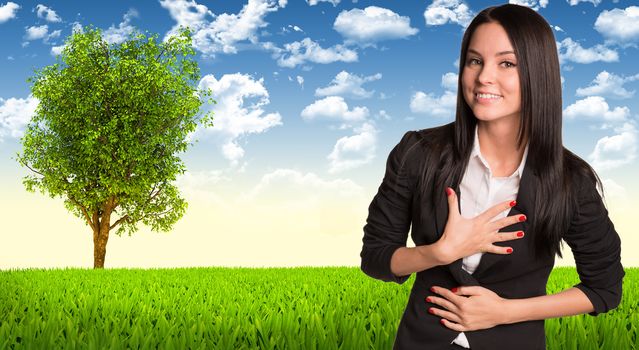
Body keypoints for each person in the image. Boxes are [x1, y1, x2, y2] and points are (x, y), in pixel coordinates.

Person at [359, 4, 624, 350]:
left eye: (506, 63)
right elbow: (375, 257)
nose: (484, 76)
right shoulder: (418, 152)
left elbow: (604, 288)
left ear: (536, 73)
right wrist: (439, 252)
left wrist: (504, 312)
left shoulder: (569, 180)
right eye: (474, 61)